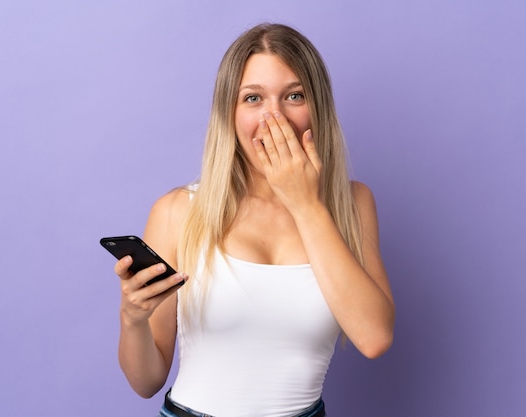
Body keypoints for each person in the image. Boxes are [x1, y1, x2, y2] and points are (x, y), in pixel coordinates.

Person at [113, 23, 395, 417]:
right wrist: (133, 320)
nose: (273, 117)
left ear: (318, 108)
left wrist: (306, 205)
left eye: (294, 96)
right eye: (253, 98)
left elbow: (374, 337)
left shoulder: (353, 202)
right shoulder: (178, 211)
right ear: (229, 113)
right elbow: (145, 382)